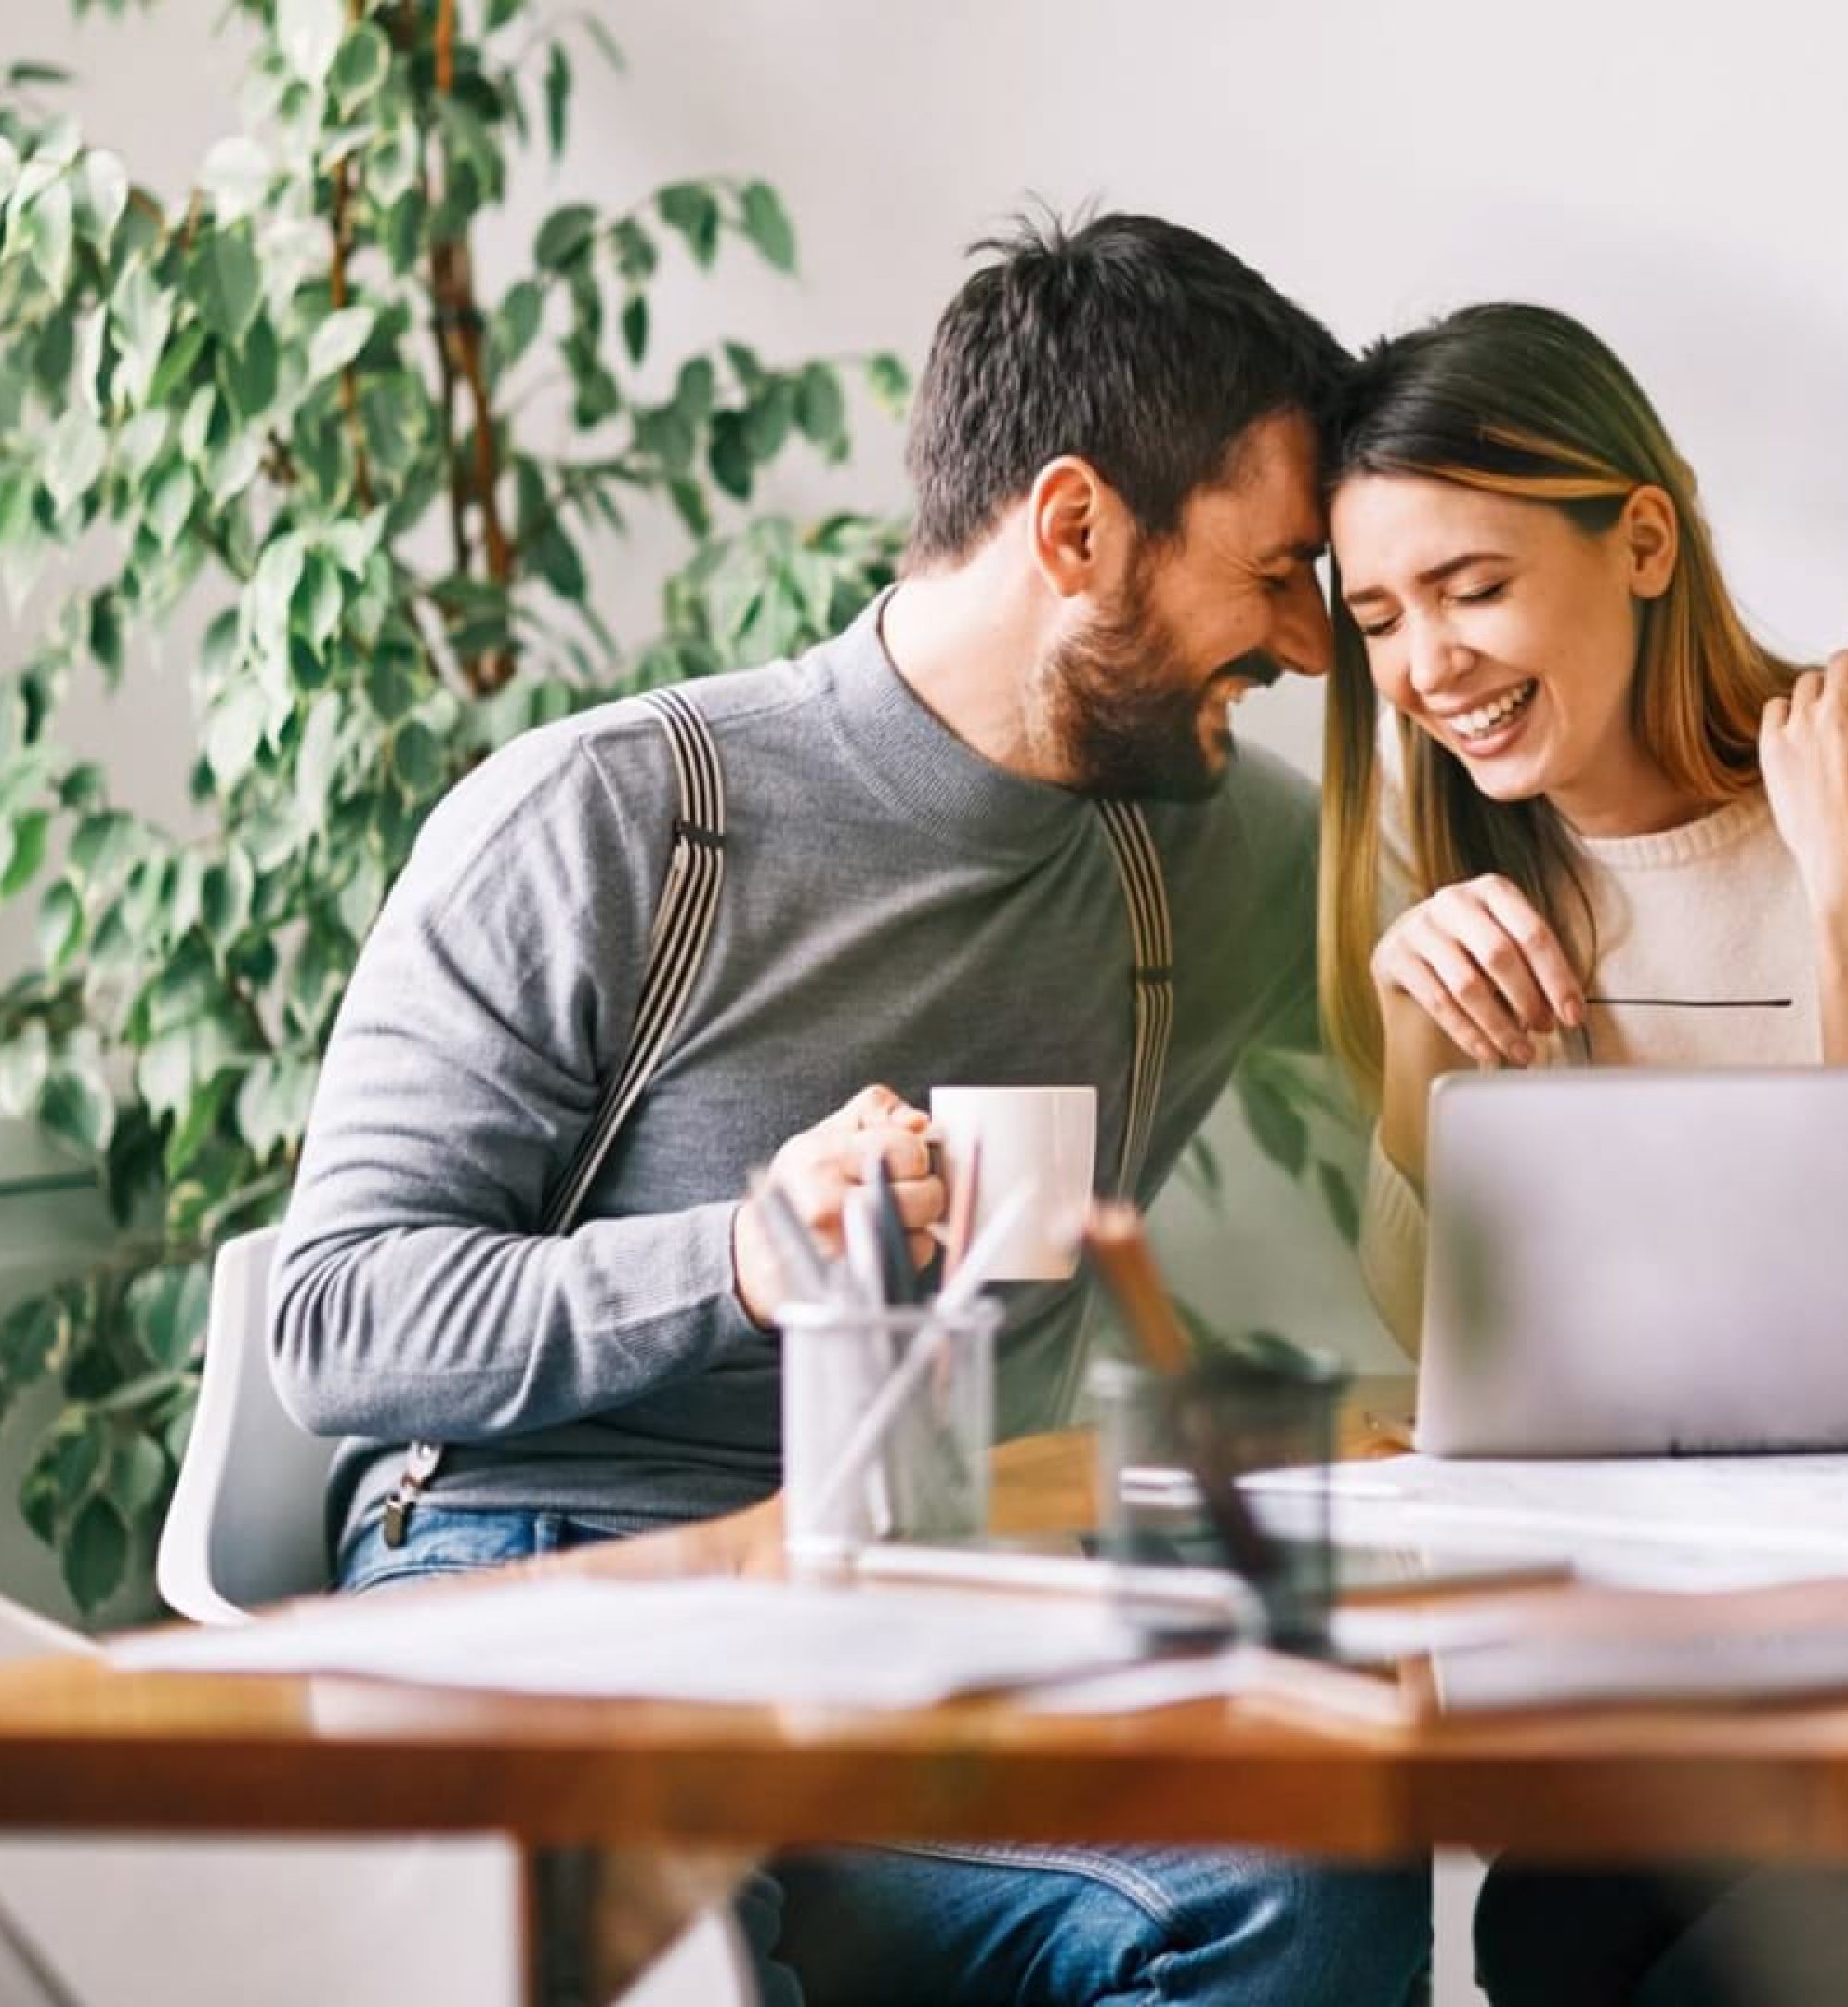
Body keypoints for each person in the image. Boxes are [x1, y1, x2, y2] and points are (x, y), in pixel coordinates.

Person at [270, 211, 1425, 2007]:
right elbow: (335, 1323)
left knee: (1301, 1864)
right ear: (1075, 529)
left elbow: (1525, 957)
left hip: (927, 1601)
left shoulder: (1219, 853)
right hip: (556, 1572)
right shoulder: (612, 821)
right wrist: (739, 1255)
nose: (1312, 642)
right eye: (1279, 575)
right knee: (670, 1950)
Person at [1315, 300, 1848, 2004]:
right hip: (1664, 1615)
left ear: (1639, 540)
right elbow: (1442, 1337)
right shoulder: (1453, 840)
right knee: (1538, 1943)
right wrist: (1416, 1049)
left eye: (1473, 587)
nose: (1429, 667)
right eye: (1381, 616)